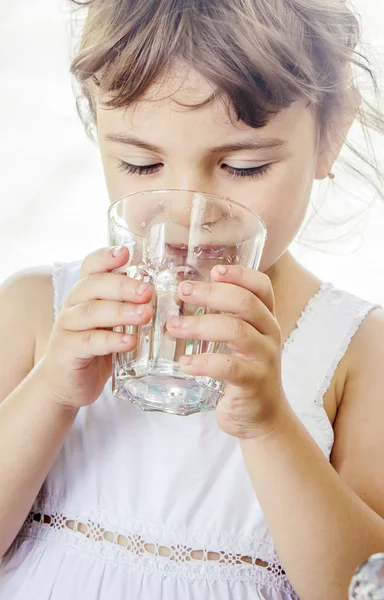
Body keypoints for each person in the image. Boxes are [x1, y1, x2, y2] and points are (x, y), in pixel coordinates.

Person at [0, 0, 383, 598]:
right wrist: (50, 391)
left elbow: (362, 587)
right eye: (140, 162)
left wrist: (270, 427)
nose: (186, 212)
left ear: (330, 135)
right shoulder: (34, 312)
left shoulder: (358, 355)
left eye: (244, 166)